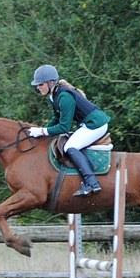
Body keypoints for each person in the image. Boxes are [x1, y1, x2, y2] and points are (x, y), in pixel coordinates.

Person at [28, 64, 111, 197]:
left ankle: (92, 183)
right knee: (70, 144)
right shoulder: (54, 96)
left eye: (40, 84)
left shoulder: (64, 97)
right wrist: (41, 132)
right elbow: (57, 118)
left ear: (50, 83)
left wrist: (43, 131)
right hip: (88, 123)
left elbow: (64, 127)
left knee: (70, 147)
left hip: (96, 124)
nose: (38, 87)